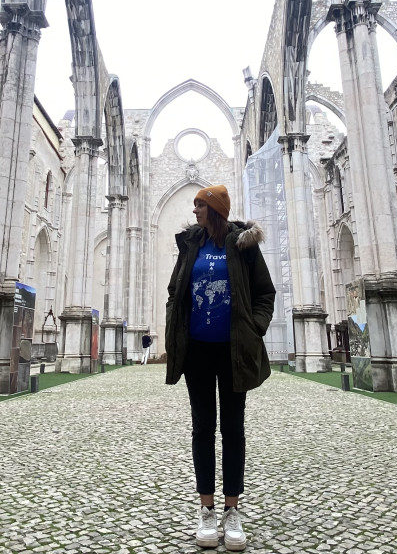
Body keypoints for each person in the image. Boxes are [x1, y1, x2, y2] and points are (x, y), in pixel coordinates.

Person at [165, 184, 275, 552]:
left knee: (233, 428)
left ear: (215, 210)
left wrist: (252, 326)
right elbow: (174, 289)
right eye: (195, 205)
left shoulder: (243, 244)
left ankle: (232, 510)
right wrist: (175, 324)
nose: (194, 210)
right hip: (197, 351)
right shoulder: (191, 244)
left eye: (200, 205)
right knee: (202, 429)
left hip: (233, 351)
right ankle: (206, 507)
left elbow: (265, 293)